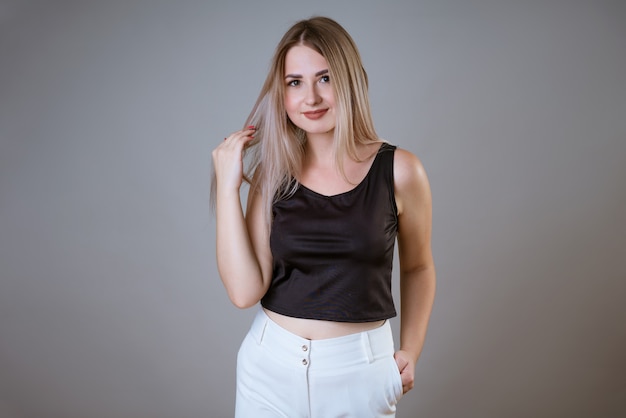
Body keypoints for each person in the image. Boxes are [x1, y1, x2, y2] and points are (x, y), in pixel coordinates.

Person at [212, 16, 435, 417]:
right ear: (282, 93)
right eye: (295, 82)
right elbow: (245, 292)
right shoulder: (272, 175)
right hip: (268, 370)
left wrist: (411, 350)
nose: (310, 98)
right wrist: (229, 189)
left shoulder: (400, 170)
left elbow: (418, 266)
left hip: (361, 374)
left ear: (349, 80)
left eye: (325, 78)